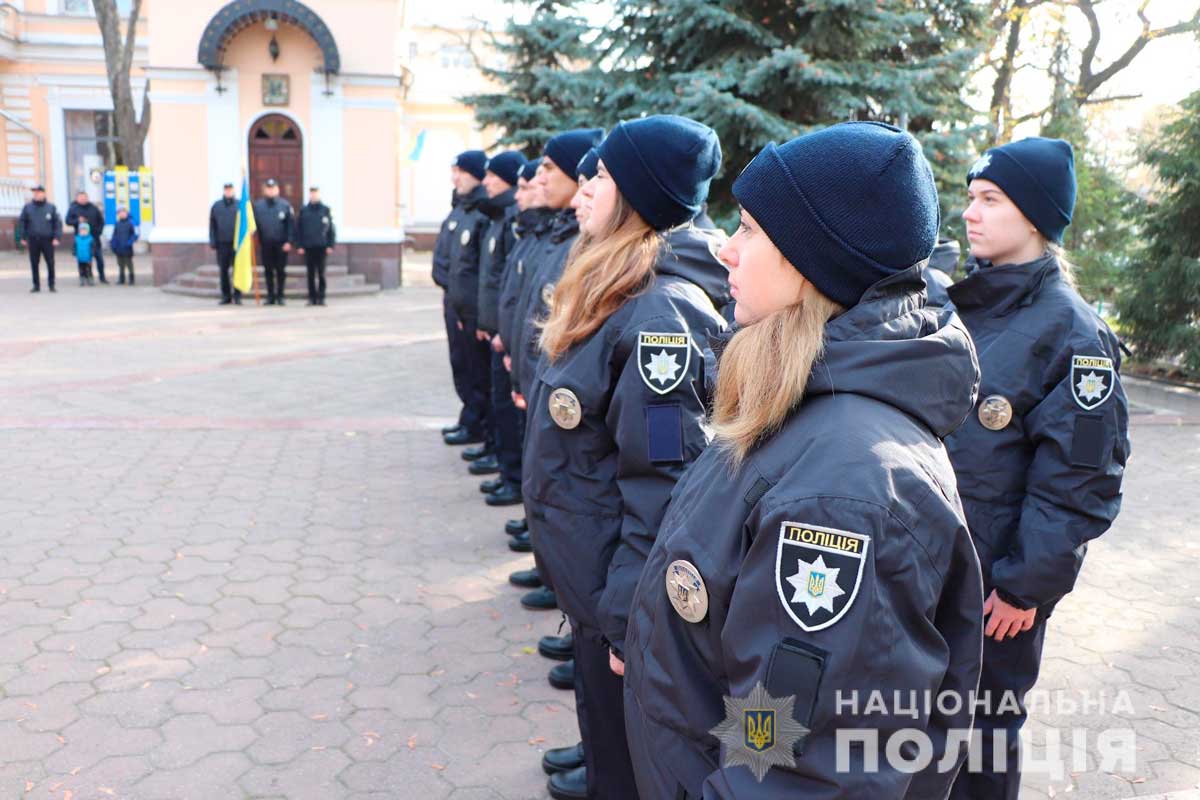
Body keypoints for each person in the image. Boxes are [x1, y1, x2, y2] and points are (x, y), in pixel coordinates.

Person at [622, 122, 985, 799]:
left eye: (752, 229)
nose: (726, 248)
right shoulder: (796, 397)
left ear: (815, 264)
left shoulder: (842, 491)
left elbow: (793, 766)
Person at [523, 115, 729, 800]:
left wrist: (622, 618)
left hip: (618, 596)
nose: (588, 185)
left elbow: (664, 484)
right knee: (604, 745)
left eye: (604, 175)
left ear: (637, 195)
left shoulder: (662, 316)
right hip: (594, 586)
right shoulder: (618, 286)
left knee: (623, 771)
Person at [946, 138, 1129, 799]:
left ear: (1035, 217)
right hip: (932, 573)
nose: (971, 212)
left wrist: (1027, 586)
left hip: (998, 594)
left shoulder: (1075, 335)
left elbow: (1081, 479)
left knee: (982, 745)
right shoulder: (959, 306)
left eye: (990, 200)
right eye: (970, 197)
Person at [475, 150, 527, 505]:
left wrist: (504, 333)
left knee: (511, 412)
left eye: (493, 176)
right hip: (500, 332)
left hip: (512, 339)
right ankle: (507, 469)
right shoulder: (501, 217)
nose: (486, 181)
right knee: (499, 404)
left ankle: (513, 476)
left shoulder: (514, 221)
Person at [440, 151, 490, 447]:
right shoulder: (460, 208)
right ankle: (469, 417)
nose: (455, 177)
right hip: (454, 300)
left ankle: (479, 424)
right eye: (454, 170)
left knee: (476, 369)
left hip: (471, 306)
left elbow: (482, 268)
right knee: (460, 364)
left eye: (461, 171)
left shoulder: (481, 212)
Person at [252, 178, 295, 305]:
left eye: (273, 188)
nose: (271, 191)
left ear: (278, 190)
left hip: (281, 245)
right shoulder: (258, 206)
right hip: (265, 244)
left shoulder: (285, 205)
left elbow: (290, 226)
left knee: (281, 271)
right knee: (268, 271)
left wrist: (289, 241)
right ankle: (270, 296)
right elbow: (254, 225)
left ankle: (280, 296)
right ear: (265, 190)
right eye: (268, 188)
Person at [296, 186, 337, 306]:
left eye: (315, 194)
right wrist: (300, 245)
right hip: (308, 247)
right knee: (310, 274)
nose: (313, 196)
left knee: (321, 273)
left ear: (319, 195)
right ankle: (311, 297)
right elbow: (299, 229)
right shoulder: (304, 210)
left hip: (322, 247)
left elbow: (331, 229)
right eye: (312, 194)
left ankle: (321, 297)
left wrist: (330, 244)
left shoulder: (326, 210)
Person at [20, 185, 61, 293]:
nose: (36, 194)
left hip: (47, 239)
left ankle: (51, 284)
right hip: (33, 239)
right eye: (35, 193)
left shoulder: (51, 207)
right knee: (34, 263)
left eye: (38, 192)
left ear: (43, 193)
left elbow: (57, 223)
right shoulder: (28, 207)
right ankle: (36, 285)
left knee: (50, 262)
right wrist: (23, 237)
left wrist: (57, 237)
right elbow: (23, 222)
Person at [66, 190, 107, 283]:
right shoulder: (73, 208)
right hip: (81, 240)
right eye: (81, 197)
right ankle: (85, 277)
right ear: (77, 199)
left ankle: (102, 277)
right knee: (83, 259)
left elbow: (101, 221)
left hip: (94, 237)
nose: (83, 199)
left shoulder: (93, 208)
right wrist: (77, 221)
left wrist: (99, 232)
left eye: (85, 197)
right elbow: (68, 221)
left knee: (99, 258)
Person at [210, 182, 241, 305]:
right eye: (226, 190)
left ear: (233, 191)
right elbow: (212, 225)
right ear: (224, 191)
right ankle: (226, 296)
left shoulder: (240, 205)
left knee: (237, 271)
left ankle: (237, 296)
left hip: (237, 244)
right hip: (222, 243)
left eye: (230, 190)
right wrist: (213, 240)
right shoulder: (216, 206)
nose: (228, 192)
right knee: (223, 271)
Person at [111, 207, 139, 285]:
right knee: (120, 264)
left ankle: (131, 279)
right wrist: (113, 244)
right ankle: (121, 279)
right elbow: (114, 235)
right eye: (120, 213)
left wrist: (130, 242)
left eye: (123, 212)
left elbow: (135, 235)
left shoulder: (131, 223)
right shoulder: (117, 223)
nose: (122, 214)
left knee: (129, 264)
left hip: (127, 248)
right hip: (119, 248)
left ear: (126, 213)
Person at [75, 221, 95, 287]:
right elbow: (74, 247)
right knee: (81, 269)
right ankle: (82, 279)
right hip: (80, 257)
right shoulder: (77, 238)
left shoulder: (90, 239)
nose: (83, 232)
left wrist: (92, 254)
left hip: (88, 257)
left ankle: (90, 279)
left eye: (85, 230)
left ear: (88, 231)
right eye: (81, 230)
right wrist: (74, 252)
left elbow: (93, 248)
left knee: (89, 269)